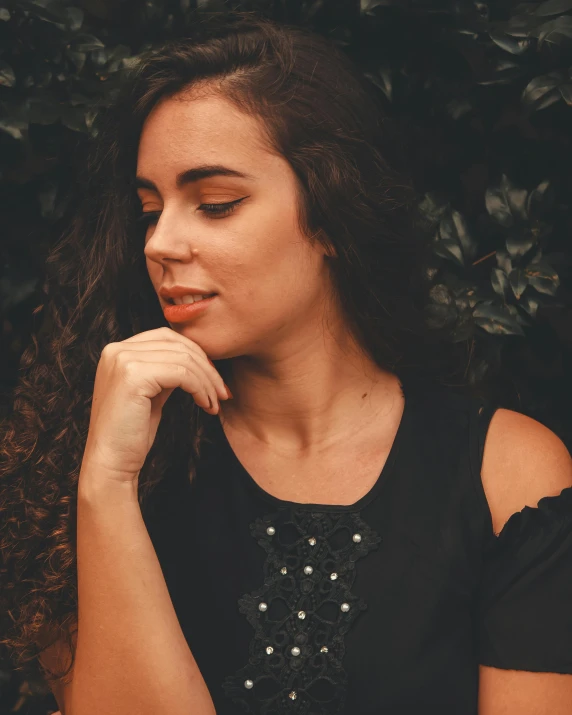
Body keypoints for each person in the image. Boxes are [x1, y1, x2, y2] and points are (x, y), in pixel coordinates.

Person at [1, 12, 571, 715]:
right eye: (150, 209)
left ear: (331, 215)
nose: (159, 242)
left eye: (215, 204)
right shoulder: (84, 465)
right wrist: (107, 486)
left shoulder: (506, 474)